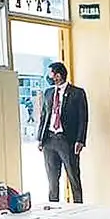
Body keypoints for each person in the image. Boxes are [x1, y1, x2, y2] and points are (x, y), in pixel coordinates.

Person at [38, 62, 88, 204]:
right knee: (52, 178)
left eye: (50, 74)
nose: (48, 77)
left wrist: (80, 140)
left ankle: (78, 206)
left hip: (67, 140)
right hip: (49, 140)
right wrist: (40, 139)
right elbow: (43, 116)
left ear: (58, 75)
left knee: (73, 176)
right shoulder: (48, 93)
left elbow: (83, 118)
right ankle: (53, 207)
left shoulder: (77, 93)